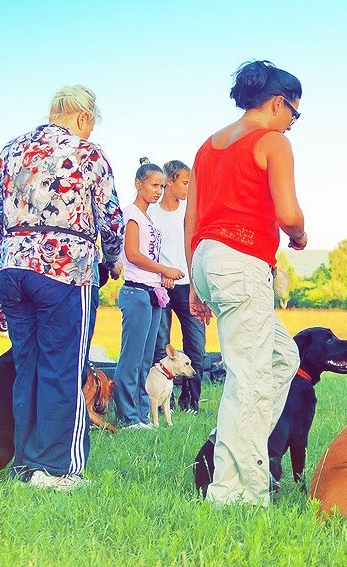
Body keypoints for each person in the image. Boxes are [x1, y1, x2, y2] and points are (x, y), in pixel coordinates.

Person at [0, 85, 124, 491]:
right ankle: (58, 470)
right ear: (82, 118)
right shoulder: (86, 153)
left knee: (28, 367)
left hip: (13, 268)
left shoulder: (9, 151)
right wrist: (112, 259)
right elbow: (110, 217)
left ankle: (25, 464)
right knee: (64, 367)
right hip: (65, 269)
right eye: (91, 124)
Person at [186, 60, 306, 507]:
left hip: (207, 259)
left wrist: (196, 282)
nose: (293, 125)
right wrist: (299, 234)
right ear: (278, 103)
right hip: (241, 261)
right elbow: (288, 212)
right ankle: (236, 493)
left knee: (282, 356)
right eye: (294, 114)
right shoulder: (272, 141)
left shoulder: (207, 146)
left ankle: (230, 438)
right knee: (249, 377)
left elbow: (191, 218)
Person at [115, 159, 184, 429]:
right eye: (154, 185)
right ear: (138, 184)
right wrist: (164, 268)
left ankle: (143, 414)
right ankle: (127, 416)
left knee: (145, 360)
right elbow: (132, 255)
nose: (158, 191)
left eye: (162, 186)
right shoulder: (131, 214)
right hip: (136, 291)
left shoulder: (148, 217)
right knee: (131, 359)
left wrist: (161, 275)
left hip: (153, 293)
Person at [150, 159, 205, 413]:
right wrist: (161, 273)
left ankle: (191, 403)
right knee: (161, 346)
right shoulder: (151, 213)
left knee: (197, 346)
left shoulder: (190, 212)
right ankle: (164, 401)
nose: (188, 187)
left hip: (188, 286)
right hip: (160, 285)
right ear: (169, 181)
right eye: (184, 182)